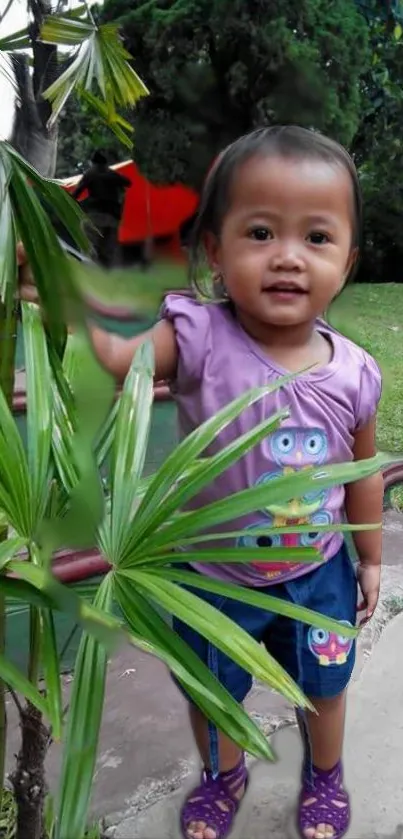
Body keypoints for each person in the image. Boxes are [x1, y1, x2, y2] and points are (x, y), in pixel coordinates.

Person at [19, 125, 383, 839]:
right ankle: (223, 774)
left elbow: (361, 474)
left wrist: (368, 556)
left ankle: (326, 773)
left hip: (318, 578)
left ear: (347, 259)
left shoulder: (355, 372)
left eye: (316, 237)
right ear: (215, 252)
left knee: (325, 690)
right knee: (211, 690)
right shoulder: (199, 338)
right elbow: (123, 356)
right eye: (258, 231)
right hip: (213, 578)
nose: (286, 256)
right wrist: (65, 294)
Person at [72, 150, 131, 267]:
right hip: (112, 218)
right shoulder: (112, 173)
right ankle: (111, 277)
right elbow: (128, 182)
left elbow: (75, 195)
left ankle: (91, 274)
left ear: (93, 162)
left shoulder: (91, 173)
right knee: (109, 251)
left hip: (94, 216)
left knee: (90, 247)